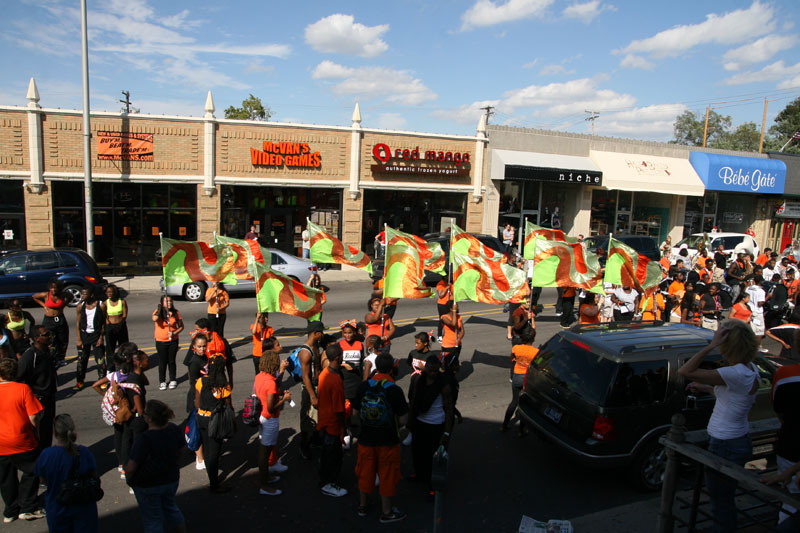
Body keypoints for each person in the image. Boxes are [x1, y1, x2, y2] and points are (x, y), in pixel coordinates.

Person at [678, 320, 760, 533]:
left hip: (726, 444)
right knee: (724, 498)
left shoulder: (735, 373)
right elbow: (734, 399)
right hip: (737, 438)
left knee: (720, 502)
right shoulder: (748, 370)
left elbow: (685, 370)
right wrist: (706, 388)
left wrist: (710, 345)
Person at [352, 353, 409, 523]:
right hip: (388, 441)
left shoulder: (363, 387)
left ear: (375, 367)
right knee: (387, 474)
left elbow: (354, 415)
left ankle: (363, 505)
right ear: (392, 369)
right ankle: (386, 511)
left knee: (365, 472)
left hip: (366, 439)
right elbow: (403, 420)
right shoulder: (394, 390)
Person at [125, 400, 186, 533]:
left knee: (152, 520)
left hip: (148, 484)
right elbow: (182, 449)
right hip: (171, 478)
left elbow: (131, 466)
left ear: (150, 418)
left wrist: (129, 480)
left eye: (145, 413)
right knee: (171, 508)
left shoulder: (144, 439)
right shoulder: (174, 429)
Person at [34, 414, 99, 532]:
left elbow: (42, 480)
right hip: (84, 508)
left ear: (55, 432)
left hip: (58, 508)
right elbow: (94, 476)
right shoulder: (84, 452)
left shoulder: (47, 454)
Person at [0, 357, 44, 523]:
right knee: (32, 471)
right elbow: (33, 417)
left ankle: (10, 510)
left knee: (5, 478)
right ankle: (27, 506)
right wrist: (36, 433)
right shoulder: (23, 389)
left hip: (1, 443)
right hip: (21, 439)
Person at [408, 355, 454, 500]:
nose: (432, 373)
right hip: (420, 422)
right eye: (430, 370)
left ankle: (432, 486)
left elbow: (449, 409)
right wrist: (411, 421)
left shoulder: (444, 385)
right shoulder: (419, 381)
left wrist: (446, 432)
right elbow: (414, 401)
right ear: (426, 368)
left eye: (435, 371)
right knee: (417, 452)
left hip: (435, 425)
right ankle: (420, 475)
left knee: (432, 457)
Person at [91, 344, 137, 476]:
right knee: (127, 438)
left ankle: (120, 463)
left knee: (118, 435)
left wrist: (107, 395)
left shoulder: (113, 376)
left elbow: (95, 385)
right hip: (128, 410)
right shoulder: (132, 376)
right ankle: (125, 463)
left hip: (116, 411)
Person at [767, 361, 800, 527]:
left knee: (790, 502)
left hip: (790, 445)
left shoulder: (784, 374)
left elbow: (778, 409)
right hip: (790, 449)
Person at [194, 356, 232, 493]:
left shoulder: (200, 381)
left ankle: (212, 477)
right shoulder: (223, 386)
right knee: (214, 453)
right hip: (214, 421)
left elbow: (197, 403)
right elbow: (229, 405)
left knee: (208, 448)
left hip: (201, 418)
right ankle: (214, 484)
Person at [254, 350, 290, 496]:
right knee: (265, 452)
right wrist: (284, 399)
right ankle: (264, 485)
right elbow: (271, 407)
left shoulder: (260, 377)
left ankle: (266, 477)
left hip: (261, 417)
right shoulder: (270, 383)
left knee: (264, 449)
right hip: (270, 419)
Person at [17, 326, 56, 449]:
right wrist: (30, 398)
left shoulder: (47, 352)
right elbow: (19, 379)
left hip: (49, 398)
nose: (49, 336)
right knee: (38, 434)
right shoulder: (29, 357)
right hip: (37, 401)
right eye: (45, 334)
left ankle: (46, 457)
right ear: (36, 339)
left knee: (47, 431)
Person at [317, 344, 348, 497]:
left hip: (323, 420)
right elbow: (339, 409)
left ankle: (324, 480)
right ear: (337, 358)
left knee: (326, 455)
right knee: (333, 457)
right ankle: (329, 484)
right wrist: (344, 427)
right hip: (332, 424)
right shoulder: (335, 380)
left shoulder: (324, 373)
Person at [502, 328, 537, 434]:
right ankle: (521, 430)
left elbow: (512, 358)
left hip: (517, 376)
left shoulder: (516, 348)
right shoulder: (535, 352)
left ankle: (504, 425)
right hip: (527, 378)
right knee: (524, 405)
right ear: (533, 339)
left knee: (514, 401)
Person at [299, 321, 325, 461]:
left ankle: (315, 441)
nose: (323, 335)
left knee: (317, 418)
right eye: (321, 332)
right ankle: (304, 446)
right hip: (309, 390)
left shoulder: (316, 346)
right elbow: (305, 377)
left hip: (317, 386)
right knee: (307, 420)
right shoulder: (305, 352)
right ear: (315, 333)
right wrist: (312, 396)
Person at [74, 287, 106, 391]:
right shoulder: (80, 306)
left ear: (91, 295)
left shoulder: (101, 305)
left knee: (100, 359)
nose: (82, 296)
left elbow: (104, 322)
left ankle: (102, 381)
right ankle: (80, 381)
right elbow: (78, 323)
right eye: (82, 294)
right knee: (82, 360)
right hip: (84, 335)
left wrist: (101, 337)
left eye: (84, 294)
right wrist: (79, 339)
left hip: (96, 335)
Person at [32, 279, 69, 367]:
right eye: (52, 288)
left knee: (63, 340)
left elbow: (70, 296)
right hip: (49, 320)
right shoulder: (46, 295)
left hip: (60, 319)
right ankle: (52, 358)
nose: (54, 290)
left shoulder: (62, 295)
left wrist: (64, 304)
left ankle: (61, 358)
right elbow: (34, 297)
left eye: (56, 288)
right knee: (50, 340)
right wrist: (44, 305)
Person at [152, 296, 184, 391]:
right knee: (162, 361)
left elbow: (181, 326)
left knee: (171, 361)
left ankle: (173, 379)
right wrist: (160, 309)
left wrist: (174, 333)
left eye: (170, 301)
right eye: (166, 301)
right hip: (160, 341)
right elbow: (155, 319)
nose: (169, 303)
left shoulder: (175, 313)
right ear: (162, 303)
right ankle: (162, 381)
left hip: (173, 341)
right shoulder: (158, 312)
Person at [100, 285, 128, 373]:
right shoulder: (104, 304)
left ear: (115, 292)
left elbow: (124, 315)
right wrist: (109, 326)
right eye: (107, 292)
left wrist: (119, 325)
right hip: (110, 328)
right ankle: (110, 369)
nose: (109, 294)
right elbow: (104, 317)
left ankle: (124, 367)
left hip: (121, 326)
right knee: (110, 349)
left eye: (110, 292)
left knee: (123, 348)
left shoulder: (122, 302)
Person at [440, 301, 464, 370]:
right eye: (456, 306)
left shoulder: (459, 317)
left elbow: (462, 330)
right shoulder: (444, 317)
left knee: (454, 365)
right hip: (448, 345)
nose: (457, 308)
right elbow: (453, 324)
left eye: (457, 306)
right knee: (445, 366)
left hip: (457, 345)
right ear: (451, 308)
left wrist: (459, 338)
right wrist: (454, 311)